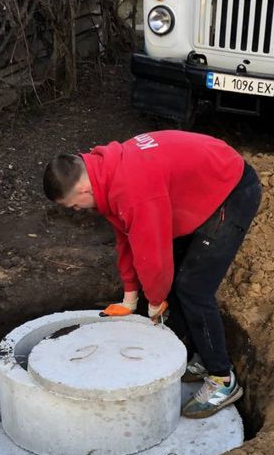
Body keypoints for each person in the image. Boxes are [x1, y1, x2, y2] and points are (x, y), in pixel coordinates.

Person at [43, 131, 262, 419]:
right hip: (198, 186)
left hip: (230, 189)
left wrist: (156, 300)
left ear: (83, 191)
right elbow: (127, 237)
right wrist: (130, 297)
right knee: (177, 281)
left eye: (74, 206)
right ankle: (198, 356)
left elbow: (154, 256)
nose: (78, 211)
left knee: (193, 287)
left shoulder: (132, 189)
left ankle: (222, 379)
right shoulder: (104, 172)